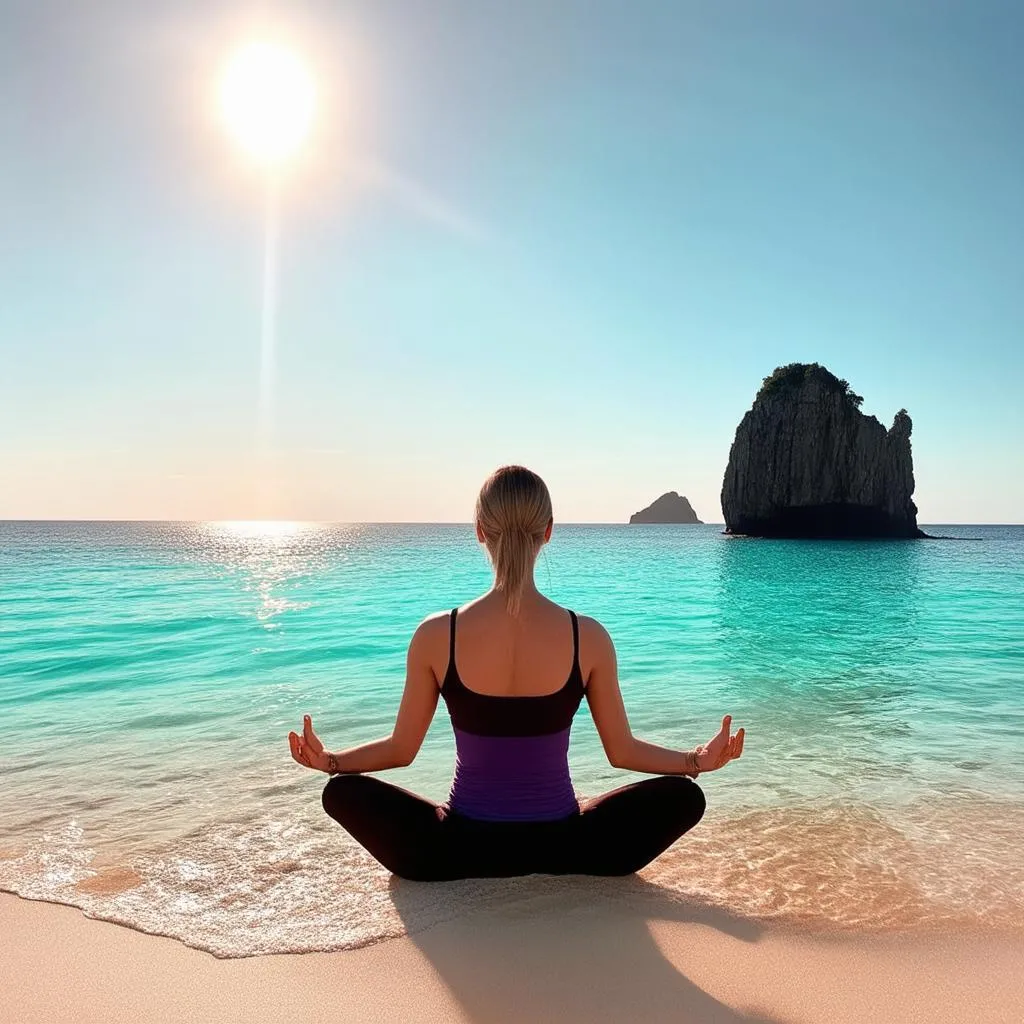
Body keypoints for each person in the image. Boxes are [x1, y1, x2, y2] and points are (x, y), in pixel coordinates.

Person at [288, 465, 744, 881]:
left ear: (480, 532)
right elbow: (621, 752)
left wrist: (330, 763)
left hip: (456, 851)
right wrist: (695, 761)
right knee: (686, 796)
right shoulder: (587, 637)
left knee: (341, 792)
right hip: (566, 848)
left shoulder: (435, 635)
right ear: (548, 532)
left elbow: (402, 749)